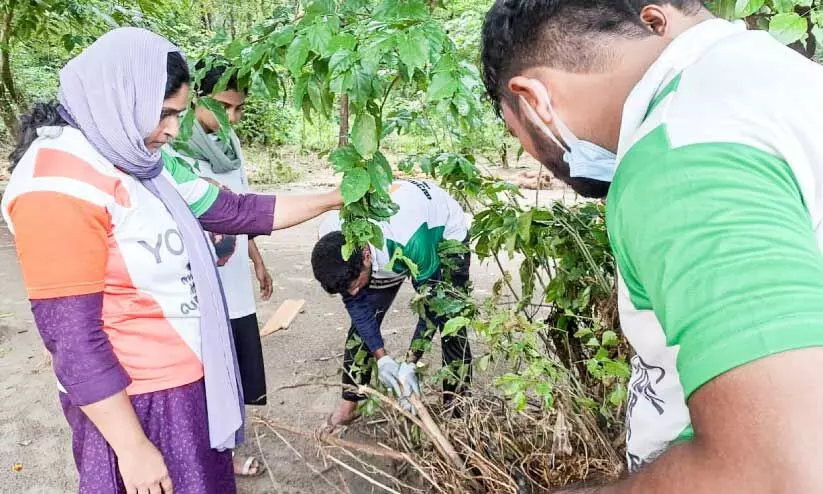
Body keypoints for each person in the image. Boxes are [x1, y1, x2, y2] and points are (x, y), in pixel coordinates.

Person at [481, 0, 823, 491]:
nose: (536, 159)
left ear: (533, 99)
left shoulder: (680, 152)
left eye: (520, 137)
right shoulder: (779, 80)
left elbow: (777, 470)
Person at [2, 27, 342, 493]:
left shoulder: (134, 158)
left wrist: (333, 197)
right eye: (163, 114)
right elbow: (72, 339)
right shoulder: (57, 184)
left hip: (184, 383)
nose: (173, 130)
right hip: (137, 401)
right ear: (122, 98)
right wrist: (132, 447)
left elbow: (234, 210)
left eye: (179, 114)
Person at [169, 61, 269, 478]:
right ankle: (213, 459)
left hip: (234, 281)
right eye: (224, 107)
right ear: (197, 100)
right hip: (199, 284)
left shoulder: (231, 146)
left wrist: (257, 259)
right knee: (204, 375)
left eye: (239, 109)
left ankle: (222, 452)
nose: (232, 118)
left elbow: (241, 206)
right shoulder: (173, 148)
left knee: (234, 375)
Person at [311, 179, 472, 430]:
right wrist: (382, 357)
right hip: (385, 251)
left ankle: (458, 412)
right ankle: (349, 405)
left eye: (353, 285)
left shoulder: (412, 237)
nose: (352, 293)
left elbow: (433, 304)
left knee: (451, 322)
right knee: (363, 326)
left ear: (365, 256)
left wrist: (410, 363)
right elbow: (357, 305)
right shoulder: (332, 240)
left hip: (440, 234)